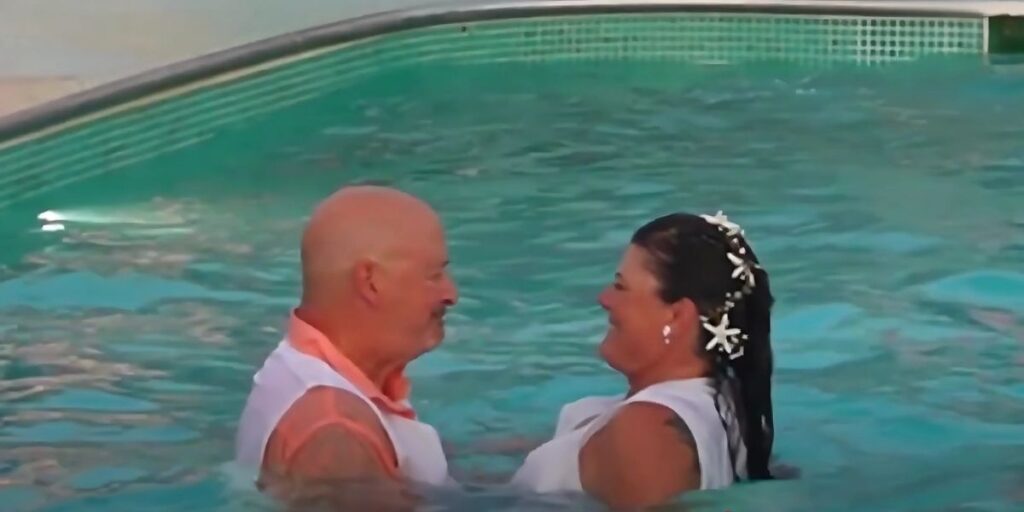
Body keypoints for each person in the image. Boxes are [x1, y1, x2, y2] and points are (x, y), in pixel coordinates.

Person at [509, 211, 777, 510]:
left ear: (675, 316)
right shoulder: (729, 404)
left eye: (621, 287)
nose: (604, 298)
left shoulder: (646, 433)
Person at [234, 185, 458, 508]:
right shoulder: (336, 434)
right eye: (434, 275)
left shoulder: (307, 374)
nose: (451, 294)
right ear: (370, 282)